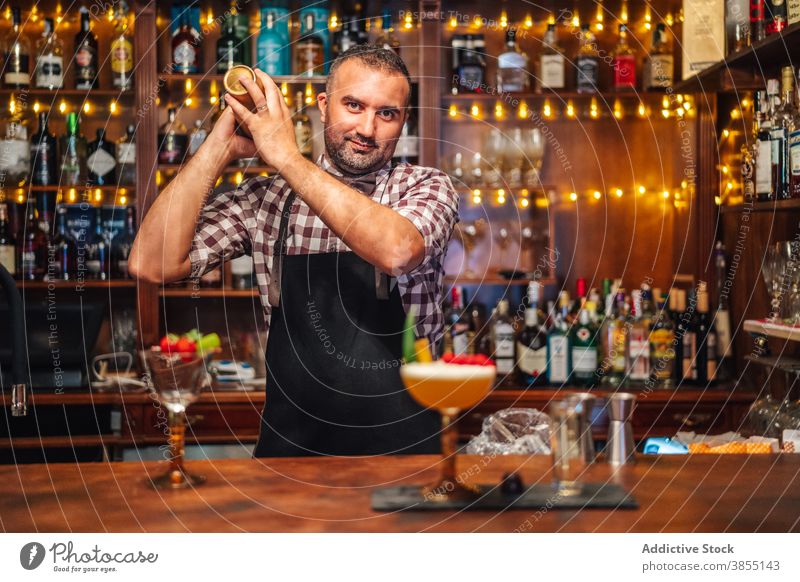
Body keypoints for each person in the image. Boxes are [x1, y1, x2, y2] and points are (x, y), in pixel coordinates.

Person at [129, 45, 459, 457]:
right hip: (290, 455)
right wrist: (220, 145)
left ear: (403, 120)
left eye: (386, 113)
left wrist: (285, 156)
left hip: (406, 455)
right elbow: (150, 262)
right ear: (323, 105)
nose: (368, 129)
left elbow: (397, 251)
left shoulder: (424, 187)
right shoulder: (265, 199)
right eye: (353, 106)